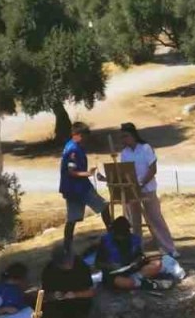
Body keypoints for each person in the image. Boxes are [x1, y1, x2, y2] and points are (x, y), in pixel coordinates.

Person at [117, 123, 178, 257]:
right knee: (134, 222)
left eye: (125, 136)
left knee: (155, 218)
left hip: (147, 189)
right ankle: (137, 251)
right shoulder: (124, 153)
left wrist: (142, 183)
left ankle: (169, 248)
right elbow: (123, 171)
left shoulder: (145, 148)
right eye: (122, 137)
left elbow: (152, 168)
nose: (124, 139)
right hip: (131, 191)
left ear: (133, 135)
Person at [60, 123, 113, 253]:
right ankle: (112, 236)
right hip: (79, 187)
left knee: (72, 219)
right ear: (77, 135)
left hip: (74, 188)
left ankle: (67, 248)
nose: (86, 139)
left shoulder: (72, 146)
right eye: (84, 136)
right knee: (104, 207)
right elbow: (71, 171)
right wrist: (88, 173)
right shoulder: (73, 150)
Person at [41, 247, 97, 318]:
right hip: (58, 302)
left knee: (75, 314)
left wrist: (75, 294)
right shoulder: (49, 271)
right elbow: (45, 295)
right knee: (49, 315)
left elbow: (91, 291)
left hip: (79, 299)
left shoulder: (81, 266)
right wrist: (54, 296)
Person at [96, 216, 170, 291]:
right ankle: (144, 284)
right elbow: (98, 263)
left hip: (133, 270)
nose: (122, 238)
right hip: (115, 273)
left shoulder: (134, 239)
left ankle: (137, 280)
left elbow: (140, 255)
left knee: (157, 264)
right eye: (120, 235)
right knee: (126, 283)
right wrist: (110, 266)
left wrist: (137, 261)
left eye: (124, 235)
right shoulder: (105, 242)